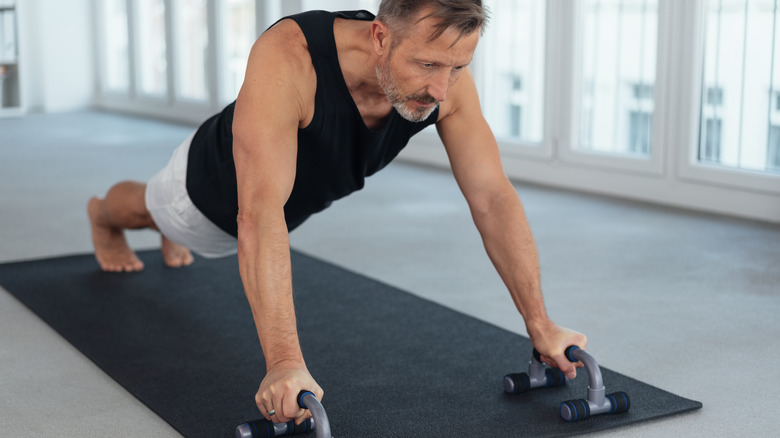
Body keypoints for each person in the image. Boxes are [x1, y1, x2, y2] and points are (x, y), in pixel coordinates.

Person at [87, 0, 587, 426]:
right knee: (152, 210)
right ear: (380, 36)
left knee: (185, 224)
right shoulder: (291, 57)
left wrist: (540, 323)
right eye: (429, 65)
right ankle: (103, 218)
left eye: (457, 67)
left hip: (287, 207)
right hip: (209, 193)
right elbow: (258, 215)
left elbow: (492, 197)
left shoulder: (446, 84)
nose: (441, 89)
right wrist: (283, 363)